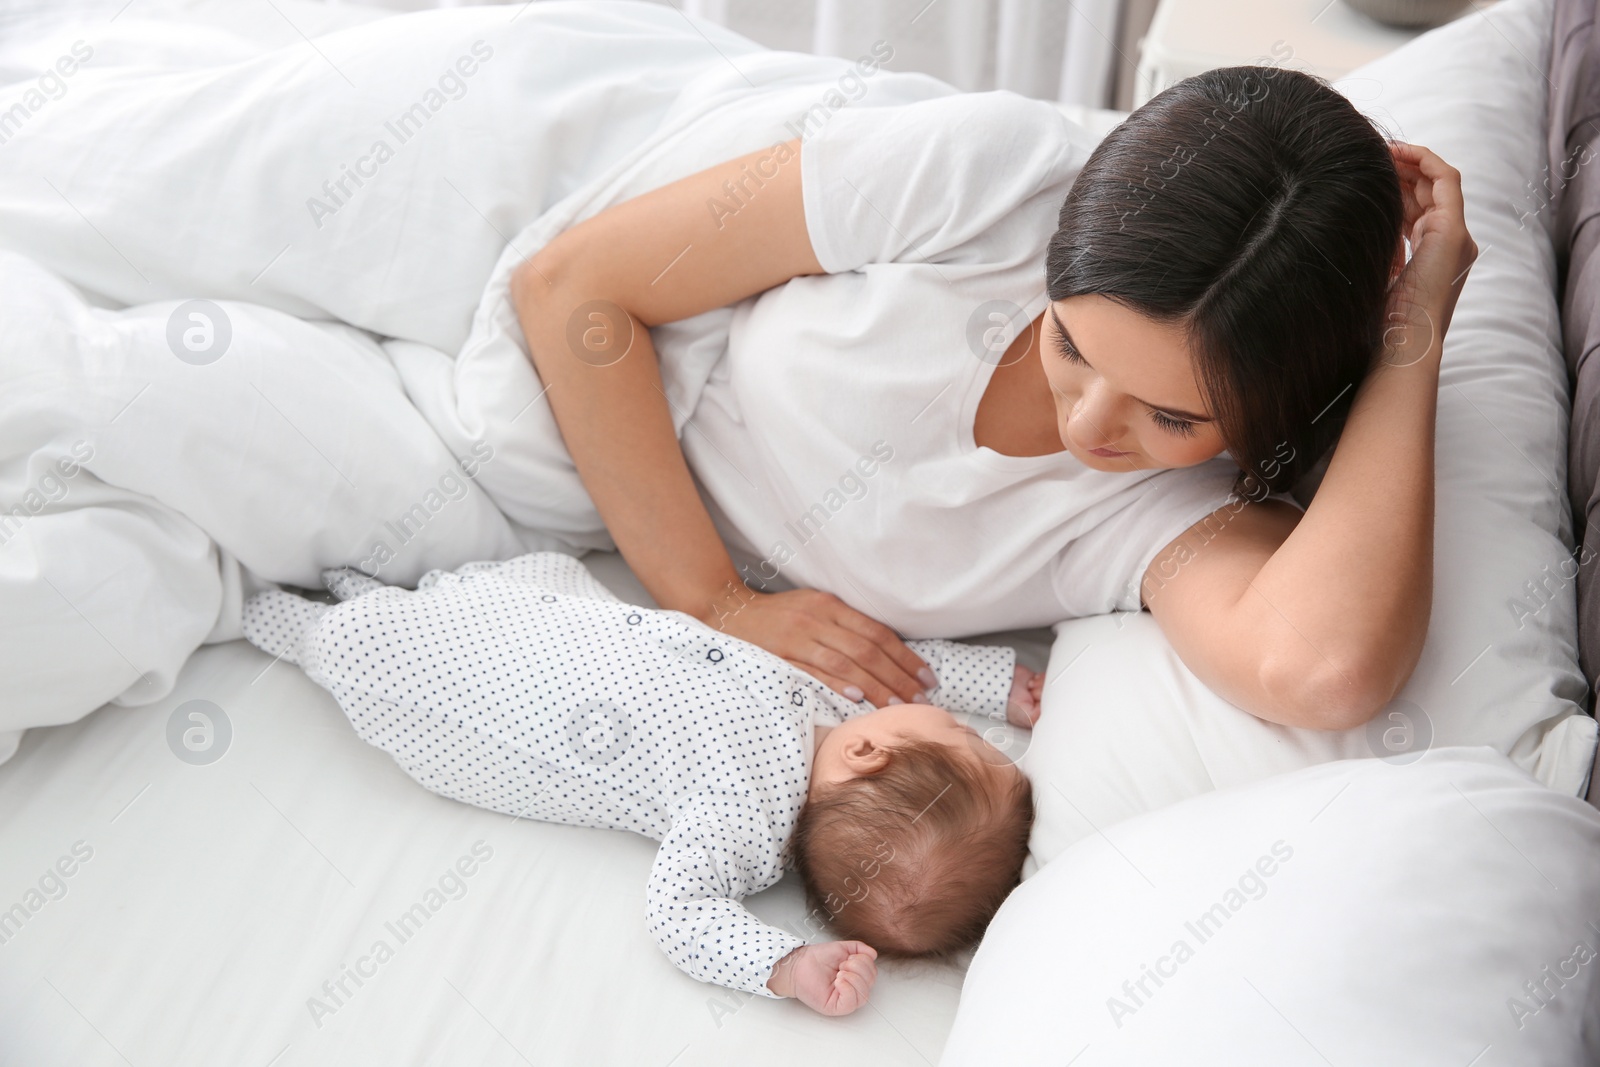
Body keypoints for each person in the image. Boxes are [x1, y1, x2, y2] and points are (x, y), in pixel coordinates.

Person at [509, 62, 1477, 732]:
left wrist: (1413, 331)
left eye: (1172, 416)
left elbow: (1325, 667)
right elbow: (572, 292)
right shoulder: (997, 175)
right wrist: (714, 600)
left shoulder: (1176, 516)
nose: (1088, 424)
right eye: (1069, 341)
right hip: (543, 185)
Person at [240, 551, 1041, 1016]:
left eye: (967, 738)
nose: (948, 718)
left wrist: (784, 964)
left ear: (871, 758)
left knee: (359, 643)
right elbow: (907, 670)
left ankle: (269, 614)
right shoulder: (836, 706)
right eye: (967, 732)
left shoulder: (743, 825)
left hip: (483, 718)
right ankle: (365, 591)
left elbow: (680, 913)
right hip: (555, 621)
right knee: (507, 582)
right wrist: (997, 680)